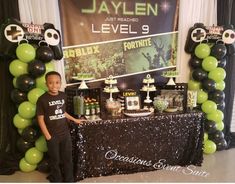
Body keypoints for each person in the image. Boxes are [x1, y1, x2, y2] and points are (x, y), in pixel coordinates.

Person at [36, 71, 84, 182]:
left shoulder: (63, 95)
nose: (54, 85)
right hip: (52, 136)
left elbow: (63, 112)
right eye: (51, 83)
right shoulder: (42, 99)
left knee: (67, 159)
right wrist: (48, 136)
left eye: (57, 82)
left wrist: (74, 119)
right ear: (46, 84)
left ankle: (69, 180)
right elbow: (40, 119)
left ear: (60, 83)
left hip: (65, 134)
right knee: (55, 160)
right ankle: (57, 179)